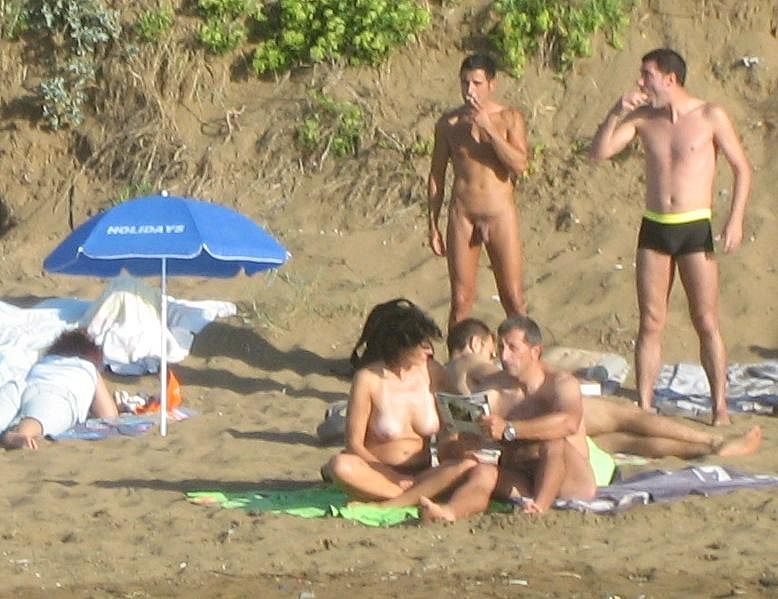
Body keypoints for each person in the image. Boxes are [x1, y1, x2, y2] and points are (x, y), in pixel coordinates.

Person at [589, 48, 752, 426]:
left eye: (647, 75)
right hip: (655, 226)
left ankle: (720, 407)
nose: (641, 82)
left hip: (694, 226)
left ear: (670, 78)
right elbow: (599, 153)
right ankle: (645, 405)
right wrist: (615, 112)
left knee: (705, 320)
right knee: (650, 321)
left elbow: (742, 169)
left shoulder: (710, 115)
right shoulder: (643, 118)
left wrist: (735, 220)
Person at [447, 318, 762, 459]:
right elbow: (509, 377)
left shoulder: (447, 372)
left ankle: (703, 450)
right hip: (535, 413)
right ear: (476, 343)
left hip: (519, 428)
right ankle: (712, 441)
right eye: (494, 347)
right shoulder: (472, 362)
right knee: (628, 417)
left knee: (624, 442)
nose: (500, 356)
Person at [389, 315, 597, 521]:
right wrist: (463, 446)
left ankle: (539, 508)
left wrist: (510, 429)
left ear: (535, 351)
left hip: (570, 481)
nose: (504, 357)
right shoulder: (493, 388)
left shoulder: (559, 383)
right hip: (522, 478)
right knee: (483, 473)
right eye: (501, 348)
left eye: (513, 348)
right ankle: (449, 512)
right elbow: (453, 441)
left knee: (553, 441)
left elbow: (569, 423)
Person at [324, 299, 476, 500]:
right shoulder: (367, 379)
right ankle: (414, 495)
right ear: (400, 346)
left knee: (468, 465)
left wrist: (459, 441)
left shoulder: (433, 372)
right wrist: (393, 476)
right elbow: (354, 445)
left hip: (423, 471)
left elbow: (462, 417)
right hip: (379, 472)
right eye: (421, 345)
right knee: (340, 466)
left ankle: (405, 496)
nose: (429, 351)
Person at [427, 53, 529, 331]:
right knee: (461, 301)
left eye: (476, 83)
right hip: (463, 216)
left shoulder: (509, 118)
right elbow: (436, 175)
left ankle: (524, 354)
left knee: (514, 299)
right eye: (464, 83)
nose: (469, 90)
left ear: (491, 84)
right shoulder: (448, 124)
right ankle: (456, 357)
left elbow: (519, 165)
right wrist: (433, 224)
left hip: (500, 214)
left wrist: (489, 129)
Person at [0, 328, 118, 450]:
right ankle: (22, 433)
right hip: (56, 394)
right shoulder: (88, 368)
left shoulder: (46, 360)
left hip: (23, 386)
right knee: (41, 417)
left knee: (7, 406)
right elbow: (108, 415)